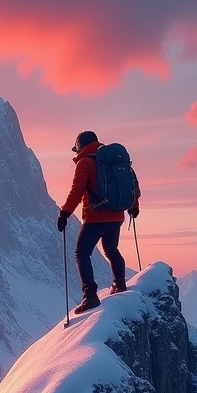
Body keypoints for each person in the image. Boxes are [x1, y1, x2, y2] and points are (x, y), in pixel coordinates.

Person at [57, 131, 140, 314]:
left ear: (79, 147)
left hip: (96, 216)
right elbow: (131, 184)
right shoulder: (114, 161)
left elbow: (76, 192)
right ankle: (120, 284)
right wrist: (134, 206)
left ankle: (90, 296)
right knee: (111, 249)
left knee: (81, 253)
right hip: (117, 215)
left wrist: (64, 214)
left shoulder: (85, 163)